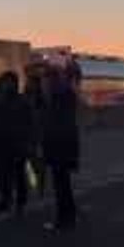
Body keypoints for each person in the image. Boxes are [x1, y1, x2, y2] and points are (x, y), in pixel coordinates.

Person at [41, 67, 80, 232]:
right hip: (66, 144)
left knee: (60, 183)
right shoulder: (67, 95)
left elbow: (54, 124)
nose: (44, 84)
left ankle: (62, 218)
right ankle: (69, 214)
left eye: (46, 80)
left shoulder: (58, 98)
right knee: (64, 182)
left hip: (59, 145)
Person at [0, 71, 33, 215]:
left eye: (8, 82)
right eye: (4, 83)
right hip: (2, 144)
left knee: (18, 175)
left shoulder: (22, 102)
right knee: (3, 175)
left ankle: (20, 202)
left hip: (18, 144)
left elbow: (30, 123)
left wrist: (29, 143)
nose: (6, 86)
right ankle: (5, 200)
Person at [25, 73, 47, 198]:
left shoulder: (41, 100)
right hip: (29, 136)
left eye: (32, 82)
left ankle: (40, 188)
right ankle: (33, 187)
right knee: (29, 163)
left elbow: (44, 118)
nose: (30, 84)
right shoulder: (26, 97)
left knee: (39, 164)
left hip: (38, 137)